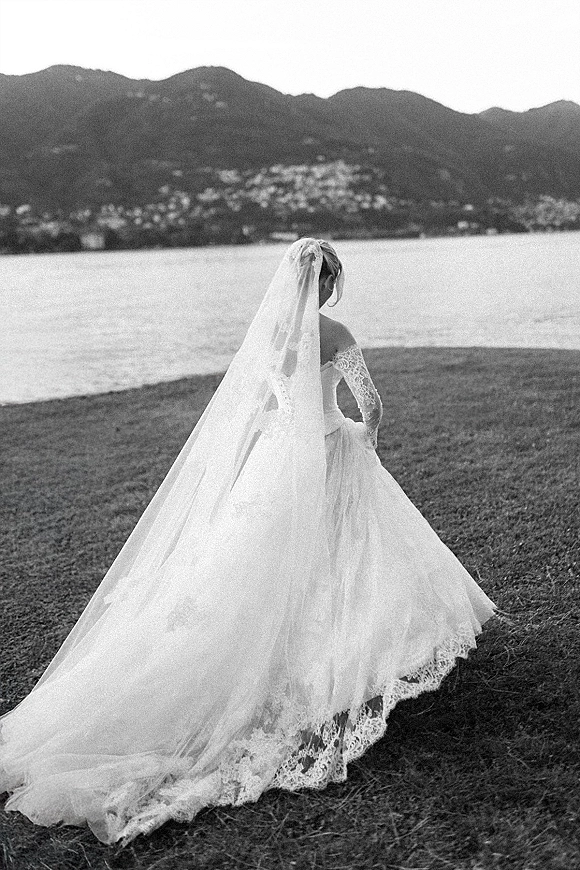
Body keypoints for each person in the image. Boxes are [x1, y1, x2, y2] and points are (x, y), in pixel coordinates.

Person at [0, 238, 495, 845]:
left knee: (253, 571)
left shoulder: (271, 336)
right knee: (341, 559)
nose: (332, 288)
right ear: (326, 281)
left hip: (278, 463)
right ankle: (334, 662)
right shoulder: (335, 334)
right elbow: (372, 403)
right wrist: (364, 440)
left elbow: (260, 407)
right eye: (332, 279)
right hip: (329, 451)